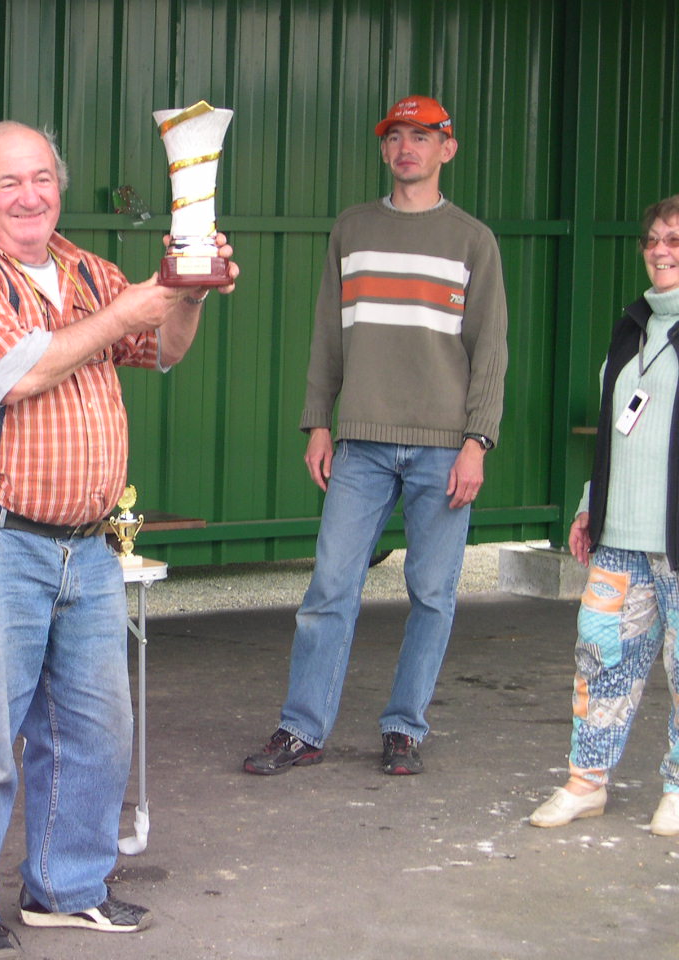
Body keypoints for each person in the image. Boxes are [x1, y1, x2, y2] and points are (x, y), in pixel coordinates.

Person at [0, 120, 237, 960]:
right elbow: (16, 374)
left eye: (41, 179)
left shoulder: (90, 269)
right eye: (7, 183)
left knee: (95, 731)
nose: (29, 196)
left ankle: (65, 887)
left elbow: (162, 350)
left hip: (87, 545)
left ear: (59, 184)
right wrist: (129, 305)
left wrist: (187, 290)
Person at [243, 95, 508, 778]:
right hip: (358, 441)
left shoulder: (473, 239)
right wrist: (318, 423)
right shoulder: (352, 229)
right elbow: (328, 333)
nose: (406, 148)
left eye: (421, 137)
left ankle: (405, 727)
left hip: (445, 446)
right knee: (329, 588)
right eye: (395, 137)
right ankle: (302, 729)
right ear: (384, 148)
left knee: (432, 592)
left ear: (447, 148)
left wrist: (478, 440)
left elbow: (490, 350)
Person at [529, 195, 679, 835]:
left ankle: (677, 788)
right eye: (651, 240)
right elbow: (614, 435)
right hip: (620, 537)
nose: (660, 250)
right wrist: (591, 508)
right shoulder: (632, 328)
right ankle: (586, 782)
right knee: (600, 657)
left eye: (674, 238)